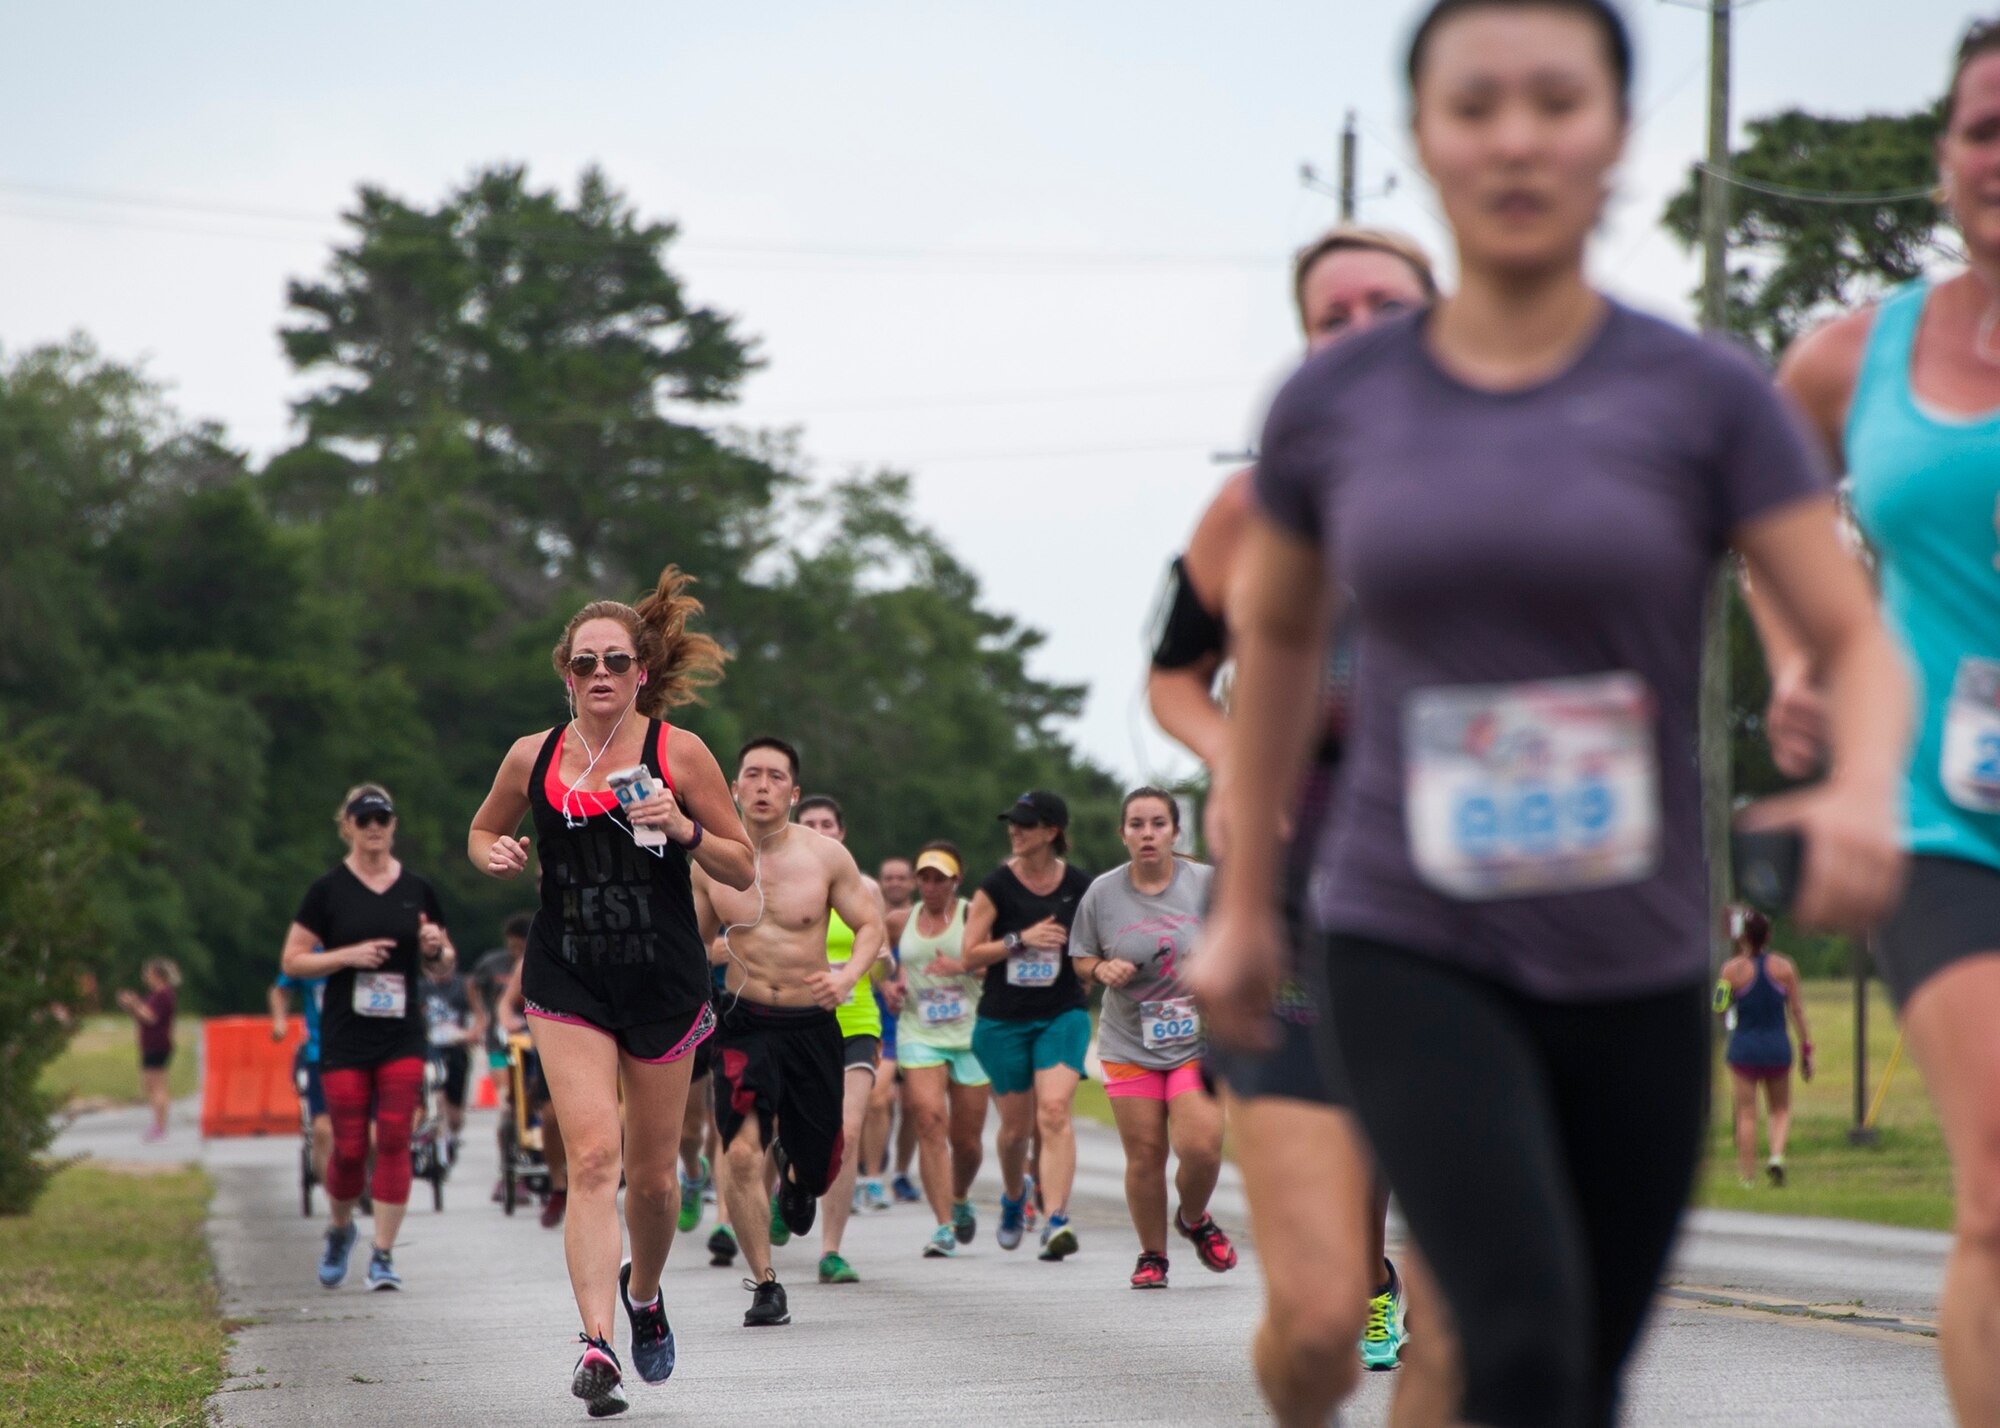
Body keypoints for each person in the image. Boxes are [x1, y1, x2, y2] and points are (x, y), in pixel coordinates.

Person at [1201, 4, 1911, 1426]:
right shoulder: (1336, 408)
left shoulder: (1702, 396)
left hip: (1637, 948)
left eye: (1556, 101)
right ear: (1425, 140)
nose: (1517, 138)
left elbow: (1850, 635)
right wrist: (1245, 899)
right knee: (1514, 1336)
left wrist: (1861, 785)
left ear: (1616, 133)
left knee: (1578, 1366)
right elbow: (1273, 637)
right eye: (1476, 107)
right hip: (1410, 932)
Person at [1749, 20, 2000, 1418]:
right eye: (1983, 126)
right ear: (1946, 157)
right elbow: (1765, 517)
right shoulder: (1857, 354)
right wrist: (1805, 654)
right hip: (1940, 810)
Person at [1153, 223, 1443, 1405]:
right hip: (1296, 891)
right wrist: (1233, 763)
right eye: (1334, 317)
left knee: (1474, 1326)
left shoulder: (1519, 479)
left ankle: (1419, 1291)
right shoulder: (1249, 505)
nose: (1361, 332)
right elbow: (1177, 676)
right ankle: (1358, 1283)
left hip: (1468, 890)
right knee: (1318, 1325)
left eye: (1389, 306)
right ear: (1306, 342)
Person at [469, 567, 757, 1415]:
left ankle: (643, 1295)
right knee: (592, 1159)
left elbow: (740, 865)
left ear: (640, 672)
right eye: (585, 662)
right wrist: (493, 851)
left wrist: (684, 825)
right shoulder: (534, 756)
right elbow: (485, 828)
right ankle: (596, 1345)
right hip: (569, 976)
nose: (600, 674)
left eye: (616, 662)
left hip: (662, 980)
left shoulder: (679, 753)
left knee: (655, 1178)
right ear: (566, 673)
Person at [692, 737, 887, 1327]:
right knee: (742, 1152)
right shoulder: (707, 863)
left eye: (775, 777)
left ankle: (800, 1178)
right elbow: (691, 945)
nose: (761, 785)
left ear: (793, 793)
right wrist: (716, 950)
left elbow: (870, 924)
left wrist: (848, 974)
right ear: (733, 786)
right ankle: (766, 1283)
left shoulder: (825, 858)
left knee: (824, 1158)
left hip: (812, 1024)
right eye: (751, 774)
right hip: (746, 1022)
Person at [283, 784, 457, 1295]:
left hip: (402, 1032)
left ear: (394, 825)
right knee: (350, 1146)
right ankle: (340, 1230)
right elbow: (292, 960)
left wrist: (435, 947)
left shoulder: (418, 889)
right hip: (344, 1036)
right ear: (348, 827)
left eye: (383, 817)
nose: (375, 827)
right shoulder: (328, 890)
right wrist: (346, 956)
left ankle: (382, 1254)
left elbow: (444, 965)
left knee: (397, 1137)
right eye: (364, 819)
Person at [1069, 790, 1236, 1288]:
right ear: (1123, 834)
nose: (1147, 833)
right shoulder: (1102, 893)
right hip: (1129, 1042)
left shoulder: (1207, 883)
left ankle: (1193, 1217)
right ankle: (1152, 1256)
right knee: (1145, 1156)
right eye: (1137, 824)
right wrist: (1102, 967)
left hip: (1197, 1039)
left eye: (1158, 824)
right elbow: (1080, 958)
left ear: (1174, 832)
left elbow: (1240, 937)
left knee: (1202, 1147)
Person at [962, 790, 1092, 1260]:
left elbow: (1094, 945)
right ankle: (1014, 1198)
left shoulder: (1080, 886)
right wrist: (1021, 939)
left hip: (1062, 1014)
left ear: (1051, 832)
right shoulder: (995, 887)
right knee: (1017, 1131)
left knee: (1054, 1112)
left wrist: (1092, 967)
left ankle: (1056, 1218)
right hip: (1003, 1021)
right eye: (1012, 823)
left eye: (1025, 824)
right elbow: (969, 954)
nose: (1014, 830)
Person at [795, 794, 890, 1282]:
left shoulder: (864, 886)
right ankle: (787, 1187)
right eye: (808, 823)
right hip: (795, 1020)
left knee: (846, 1133)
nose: (818, 830)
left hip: (855, 1020)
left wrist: (878, 971)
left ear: (842, 832)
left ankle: (831, 1250)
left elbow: (880, 947)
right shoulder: (779, 882)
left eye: (827, 823)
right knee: (786, 1128)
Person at [883, 842, 990, 1257]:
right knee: (928, 1121)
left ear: (955, 881)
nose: (930, 886)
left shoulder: (972, 916)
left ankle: (960, 1197)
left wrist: (963, 966)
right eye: (924, 878)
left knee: (968, 1143)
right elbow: (875, 954)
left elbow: (993, 962)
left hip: (970, 1036)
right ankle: (944, 1224)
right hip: (919, 1032)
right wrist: (887, 986)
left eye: (939, 879)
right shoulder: (898, 921)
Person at [1715, 908, 1812, 1189]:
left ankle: (1747, 1178)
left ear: (1743, 937)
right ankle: (1777, 1155)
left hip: (1744, 1048)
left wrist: (1732, 1009)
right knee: (1779, 1109)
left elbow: (1719, 1006)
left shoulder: (1731, 970)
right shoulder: (1785, 968)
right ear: (1768, 935)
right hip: (1777, 1048)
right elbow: (1797, 1010)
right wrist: (1806, 1048)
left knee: (1746, 1114)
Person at [496, 953, 571, 1229]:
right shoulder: (535, 953)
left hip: (602, 1030)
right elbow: (506, 1002)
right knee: (551, 1117)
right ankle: (558, 1186)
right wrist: (507, 1022)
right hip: (553, 1032)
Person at [861, 854, 916, 1210]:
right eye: (888, 877)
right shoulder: (868, 920)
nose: (894, 883)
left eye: (901, 877)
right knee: (878, 1098)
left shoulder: (923, 921)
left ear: (912, 882)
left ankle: (900, 1172)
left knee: (914, 1106)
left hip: (919, 1021)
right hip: (882, 1021)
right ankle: (872, 1174)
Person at [468, 913, 532, 1202]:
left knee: (534, 1099)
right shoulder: (493, 963)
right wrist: (482, 1016)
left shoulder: (540, 961)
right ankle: (508, 1172)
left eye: (521, 947)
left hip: (534, 1043)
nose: (515, 953)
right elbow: (471, 982)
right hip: (500, 1046)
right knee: (508, 1100)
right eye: (512, 947)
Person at [270, 957, 333, 1183]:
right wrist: (279, 1021)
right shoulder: (309, 954)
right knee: (323, 1129)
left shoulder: (361, 943)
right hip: (321, 1053)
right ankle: (337, 1195)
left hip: (362, 1050)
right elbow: (281, 989)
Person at [116, 959, 180, 1142]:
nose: (145, 977)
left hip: (158, 1044)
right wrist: (131, 1005)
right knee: (150, 1085)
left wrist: (135, 1003)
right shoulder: (156, 996)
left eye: (148, 974)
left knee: (157, 1085)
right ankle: (158, 1124)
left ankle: (159, 1126)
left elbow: (151, 1018)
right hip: (151, 1044)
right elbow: (142, 1016)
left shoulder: (163, 995)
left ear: (157, 975)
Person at [423, 953, 475, 1164]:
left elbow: (481, 1015)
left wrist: (472, 1033)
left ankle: (452, 1135)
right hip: (431, 1047)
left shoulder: (463, 986)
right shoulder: (420, 988)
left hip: (456, 1046)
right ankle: (436, 1133)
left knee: (455, 1115)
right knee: (437, 1091)